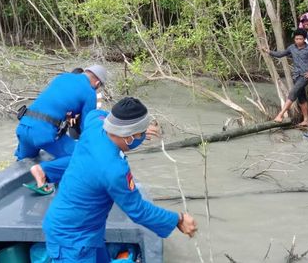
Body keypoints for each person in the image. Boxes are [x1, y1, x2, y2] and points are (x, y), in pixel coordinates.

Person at [42, 97, 197, 262]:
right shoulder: (114, 170)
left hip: (85, 228)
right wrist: (177, 220)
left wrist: (138, 128)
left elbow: (96, 113)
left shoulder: (95, 124)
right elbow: (139, 211)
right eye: (142, 134)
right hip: (72, 240)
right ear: (129, 137)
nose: (143, 136)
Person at [15, 65, 107, 193]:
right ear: (97, 83)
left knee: (24, 160)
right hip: (43, 134)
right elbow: (87, 127)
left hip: (23, 128)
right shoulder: (90, 93)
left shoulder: (62, 77)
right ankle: (43, 171)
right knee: (85, 156)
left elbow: (55, 101)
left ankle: (22, 168)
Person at [262, 28, 308, 126]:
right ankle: (306, 120)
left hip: (305, 76)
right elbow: (280, 54)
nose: (298, 41)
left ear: (304, 39)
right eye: (296, 39)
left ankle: (280, 114)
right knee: (301, 97)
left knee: (293, 92)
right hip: (296, 76)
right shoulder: (292, 48)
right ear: (294, 39)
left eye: (300, 39)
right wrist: (268, 52)